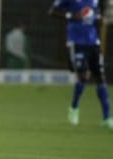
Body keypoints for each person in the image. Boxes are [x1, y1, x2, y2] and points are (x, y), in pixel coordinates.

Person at [48, 0, 113, 129]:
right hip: (76, 42)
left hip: (93, 42)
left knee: (100, 77)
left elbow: (96, 14)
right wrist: (71, 16)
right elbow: (52, 12)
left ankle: (107, 117)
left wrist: (99, 19)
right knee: (83, 76)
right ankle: (74, 107)